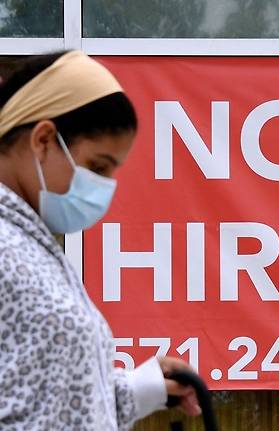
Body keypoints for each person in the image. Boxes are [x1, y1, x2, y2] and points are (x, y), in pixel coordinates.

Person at [0, 51, 201, 430]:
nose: (105, 187)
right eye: (97, 166)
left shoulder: (29, 242)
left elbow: (43, 397)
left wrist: (139, 388)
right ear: (43, 140)